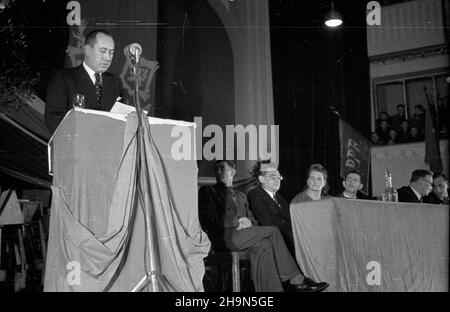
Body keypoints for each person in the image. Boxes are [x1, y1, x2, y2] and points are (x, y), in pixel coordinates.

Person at [198, 160, 329, 292]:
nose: (222, 171)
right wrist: (237, 221)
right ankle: (296, 280)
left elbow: (254, 221)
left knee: (265, 245)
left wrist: (248, 222)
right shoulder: (207, 191)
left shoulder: (241, 195)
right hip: (225, 238)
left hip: (244, 236)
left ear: (234, 171)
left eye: (225, 168)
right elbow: (209, 219)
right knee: (273, 231)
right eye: (219, 168)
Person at [45, 29, 124, 133]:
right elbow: (53, 119)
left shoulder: (115, 82)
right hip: (78, 144)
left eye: (111, 52)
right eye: (103, 51)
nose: (108, 57)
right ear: (87, 50)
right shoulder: (64, 77)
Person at [246, 160, 296, 257]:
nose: (277, 180)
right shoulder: (255, 195)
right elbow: (267, 221)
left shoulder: (281, 199)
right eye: (273, 177)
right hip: (270, 239)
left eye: (279, 177)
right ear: (261, 179)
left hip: (285, 238)